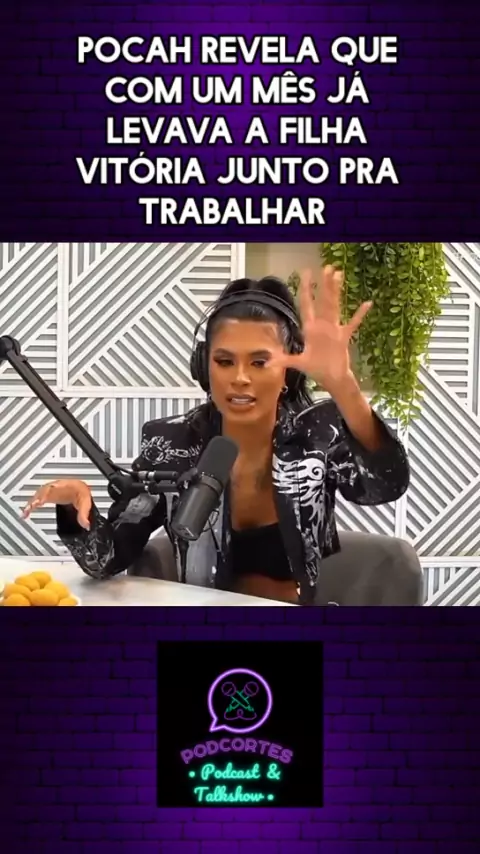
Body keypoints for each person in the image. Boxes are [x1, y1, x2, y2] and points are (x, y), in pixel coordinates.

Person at [23, 267, 416, 605]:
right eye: (225, 361)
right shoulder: (172, 443)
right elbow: (106, 559)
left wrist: (342, 384)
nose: (240, 378)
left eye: (260, 362)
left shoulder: (318, 434)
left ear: (288, 372)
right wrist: (76, 509)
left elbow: (385, 485)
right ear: (204, 367)